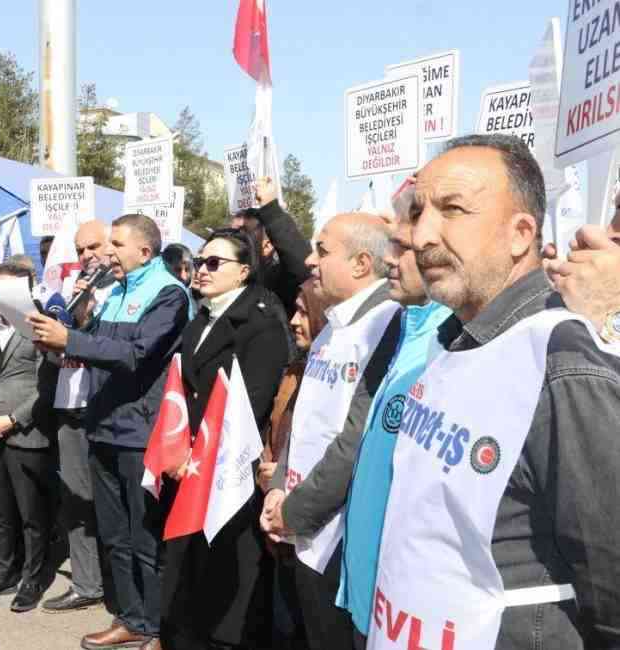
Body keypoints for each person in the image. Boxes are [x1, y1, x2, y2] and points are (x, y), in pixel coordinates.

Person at [371, 134, 620, 648]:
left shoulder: (562, 360)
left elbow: (610, 574)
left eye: (453, 209)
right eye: (418, 212)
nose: (422, 236)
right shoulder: (452, 340)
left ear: (520, 233)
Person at [29, 214, 192, 650]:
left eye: (116, 245)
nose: (107, 253)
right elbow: (93, 345)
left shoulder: (169, 294)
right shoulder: (115, 290)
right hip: (103, 426)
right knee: (116, 535)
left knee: (144, 536)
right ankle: (131, 618)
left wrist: (73, 342)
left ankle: (159, 627)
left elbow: (136, 355)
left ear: (144, 251)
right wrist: (59, 336)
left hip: (141, 432)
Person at [260, 212, 398, 650]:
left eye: (322, 250)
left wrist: (296, 510)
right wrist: (279, 488)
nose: (310, 260)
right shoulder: (332, 328)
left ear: (361, 263)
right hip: (300, 523)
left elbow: (354, 440)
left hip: (337, 535)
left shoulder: (388, 325)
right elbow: (303, 425)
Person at [331, 183, 454, 648]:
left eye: (402, 246)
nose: (390, 260)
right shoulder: (405, 326)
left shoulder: (455, 343)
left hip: (413, 614)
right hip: (371, 598)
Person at [160, 228, 290, 649]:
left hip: (227, 469)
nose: (202, 270)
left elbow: (247, 407)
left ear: (244, 271)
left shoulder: (261, 325)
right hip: (189, 465)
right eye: (200, 261)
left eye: (214, 263)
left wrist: (198, 452)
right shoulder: (199, 319)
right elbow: (183, 391)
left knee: (226, 576)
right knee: (188, 568)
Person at [0, 261, 55, 612]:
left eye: (8, 287)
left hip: (26, 434)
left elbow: (46, 385)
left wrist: (13, 419)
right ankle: (4, 572)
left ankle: (32, 578)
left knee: (31, 513)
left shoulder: (39, 327)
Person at [40, 219, 113, 614]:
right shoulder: (70, 291)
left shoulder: (119, 291)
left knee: (110, 502)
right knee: (76, 501)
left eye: (94, 247)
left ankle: (120, 587)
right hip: (68, 404)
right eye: (81, 250)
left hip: (104, 408)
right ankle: (87, 582)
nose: (87, 256)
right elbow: (58, 352)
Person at [259, 278, 328, 649]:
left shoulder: (338, 376)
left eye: (304, 312)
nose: (294, 321)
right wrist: (271, 472)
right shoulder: (294, 371)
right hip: (278, 521)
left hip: (310, 532)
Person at [232, 176, 313, 318]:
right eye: (231, 233)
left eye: (242, 234)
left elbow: (302, 266)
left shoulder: (276, 282)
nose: (231, 240)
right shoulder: (222, 274)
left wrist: (271, 210)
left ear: (267, 246)